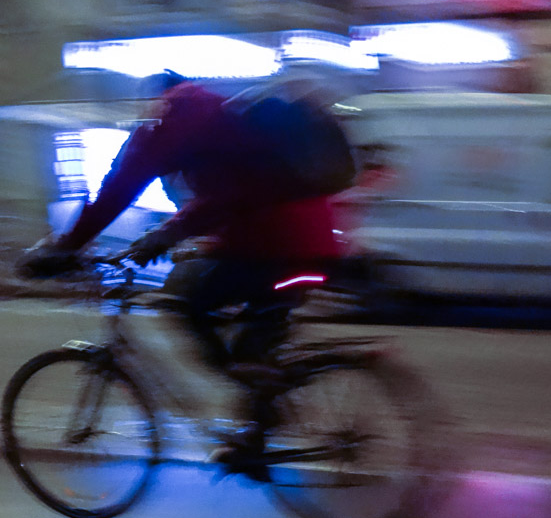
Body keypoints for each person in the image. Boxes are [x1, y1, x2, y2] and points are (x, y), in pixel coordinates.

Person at [19, 73, 352, 478]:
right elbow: (227, 196)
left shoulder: (175, 115)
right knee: (255, 345)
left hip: (272, 243)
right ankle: (254, 443)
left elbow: (123, 184)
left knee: (185, 299)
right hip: (316, 245)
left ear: (159, 98)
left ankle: (262, 398)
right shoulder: (225, 117)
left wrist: (65, 248)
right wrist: (165, 236)